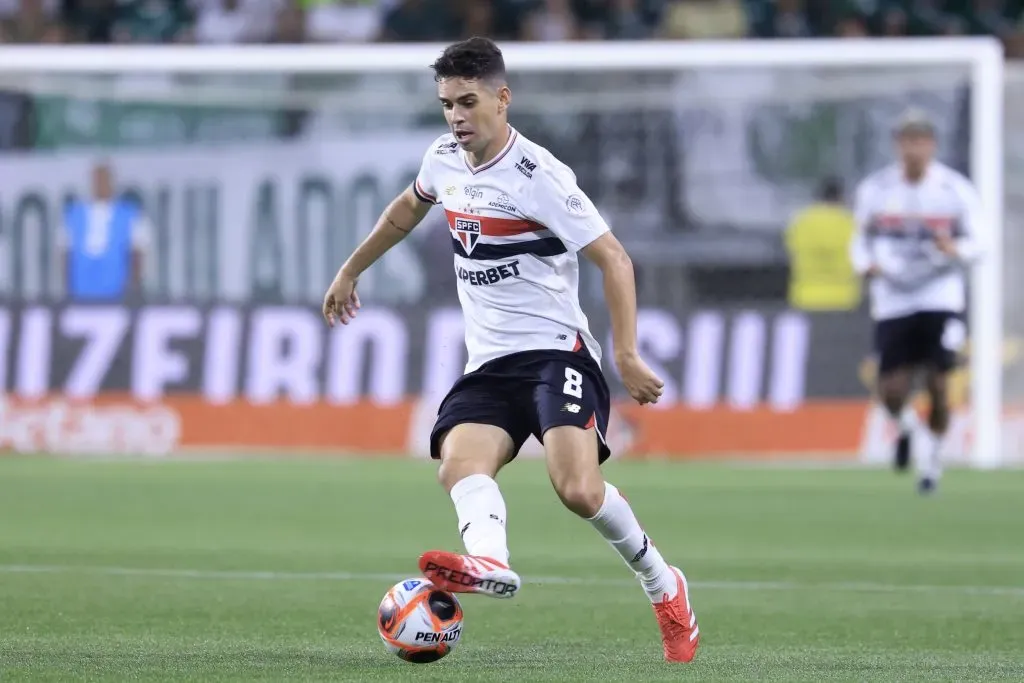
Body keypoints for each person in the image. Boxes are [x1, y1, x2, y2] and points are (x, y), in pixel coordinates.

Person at [322, 37, 699, 663]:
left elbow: (614, 259)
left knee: (578, 490)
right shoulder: (443, 159)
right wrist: (350, 269)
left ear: (502, 99)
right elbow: (406, 209)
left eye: (468, 102)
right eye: (447, 104)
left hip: (557, 354)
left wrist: (626, 353)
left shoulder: (540, 177)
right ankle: (490, 562)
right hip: (491, 362)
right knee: (458, 465)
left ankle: (664, 584)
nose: (456, 116)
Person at [849, 109, 983, 494]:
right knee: (891, 390)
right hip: (893, 299)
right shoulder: (876, 190)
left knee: (939, 384)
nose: (914, 148)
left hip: (940, 296)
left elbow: (981, 242)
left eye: (921, 140)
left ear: (932, 145)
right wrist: (865, 265)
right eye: (908, 139)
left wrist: (957, 248)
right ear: (898, 144)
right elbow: (859, 240)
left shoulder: (954, 190)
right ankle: (907, 430)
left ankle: (931, 466)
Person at [61, 162, 150, 301]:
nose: (100, 184)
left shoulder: (130, 214)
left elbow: (137, 254)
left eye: (104, 179)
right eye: (97, 180)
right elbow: (66, 254)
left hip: (117, 295)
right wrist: (67, 290)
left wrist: (134, 287)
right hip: (79, 294)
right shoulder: (74, 214)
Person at [785, 176, 860, 311]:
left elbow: (791, 251)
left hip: (806, 297)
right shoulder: (852, 223)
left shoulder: (800, 223)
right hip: (844, 298)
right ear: (841, 197)